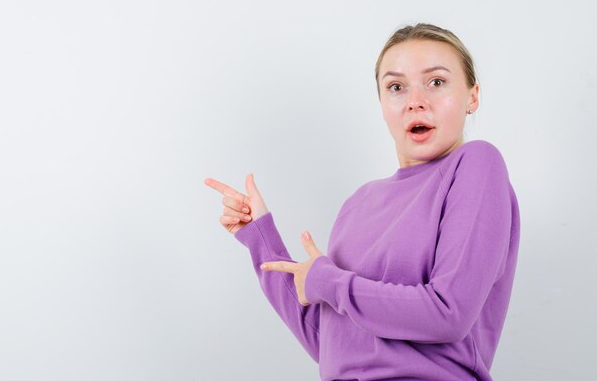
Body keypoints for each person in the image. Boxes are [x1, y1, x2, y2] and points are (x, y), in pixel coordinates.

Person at [204, 23, 520, 381]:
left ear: (472, 96)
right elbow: (329, 344)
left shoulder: (476, 163)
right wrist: (259, 237)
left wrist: (330, 282)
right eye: (396, 87)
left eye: (436, 82)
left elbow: (450, 312)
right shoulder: (359, 203)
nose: (416, 100)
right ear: (383, 106)